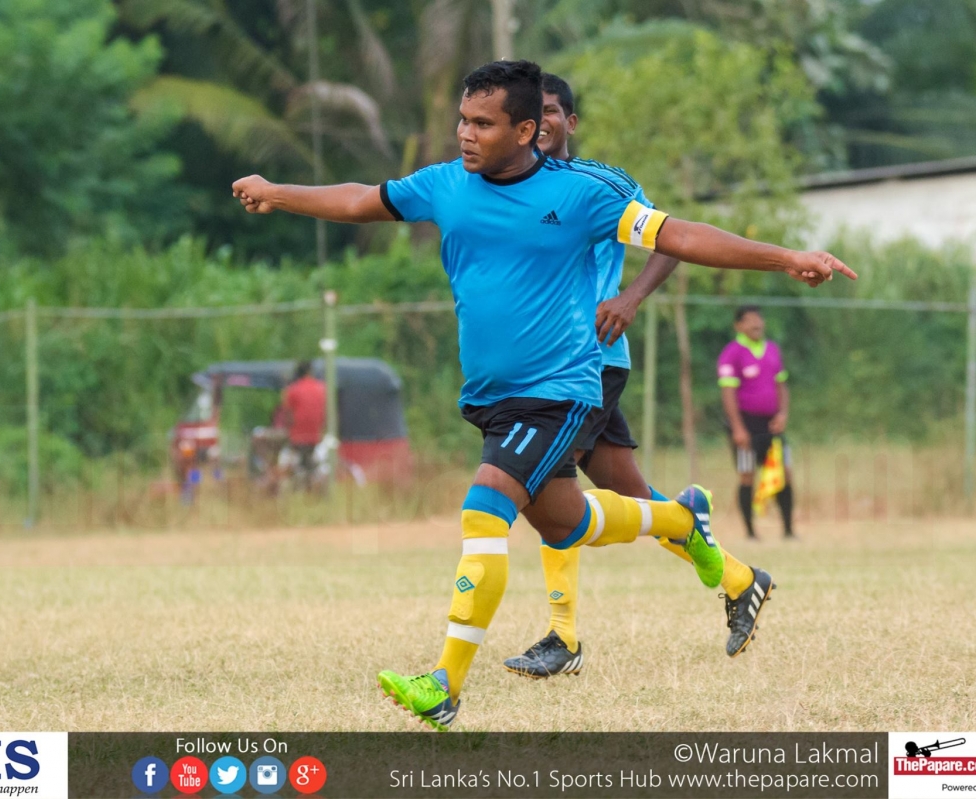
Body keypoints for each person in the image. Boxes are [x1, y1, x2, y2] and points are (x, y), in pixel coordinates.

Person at [232, 60, 855, 731]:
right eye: (463, 120)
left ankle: (443, 685)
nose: (465, 134)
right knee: (565, 523)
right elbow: (361, 200)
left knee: (485, 509)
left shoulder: (583, 194)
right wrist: (277, 192)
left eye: (483, 123)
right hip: (492, 397)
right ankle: (679, 520)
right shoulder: (445, 184)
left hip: (557, 391)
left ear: (527, 130)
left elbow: (683, 236)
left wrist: (787, 257)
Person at [503, 74, 778, 680]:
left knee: (545, 487)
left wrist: (630, 297)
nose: (540, 121)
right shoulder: (509, 185)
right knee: (632, 499)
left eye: (550, 110)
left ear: (570, 121)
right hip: (545, 364)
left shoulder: (601, 182)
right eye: (530, 111)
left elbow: (673, 239)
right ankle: (739, 577)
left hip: (589, 360)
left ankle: (562, 637)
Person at [719, 306, 795, 538]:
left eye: (759, 319)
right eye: (750, 320)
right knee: (747, 474)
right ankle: (750, 533)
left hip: (772, 423)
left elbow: (781, 385)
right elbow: (728, 393)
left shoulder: (772, 349)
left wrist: (782, 414)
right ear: (738, 325)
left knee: (784, 472)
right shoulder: (732, 353)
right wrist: (738, 428)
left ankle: (788, 531)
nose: (756, 324)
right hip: (746, 424)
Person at [274, 361, 327, 489]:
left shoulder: (292, 390)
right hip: (317, 437)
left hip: (296, 438)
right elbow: (327, 414)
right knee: (310, 462)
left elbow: (286, 415)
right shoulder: (323, 389)